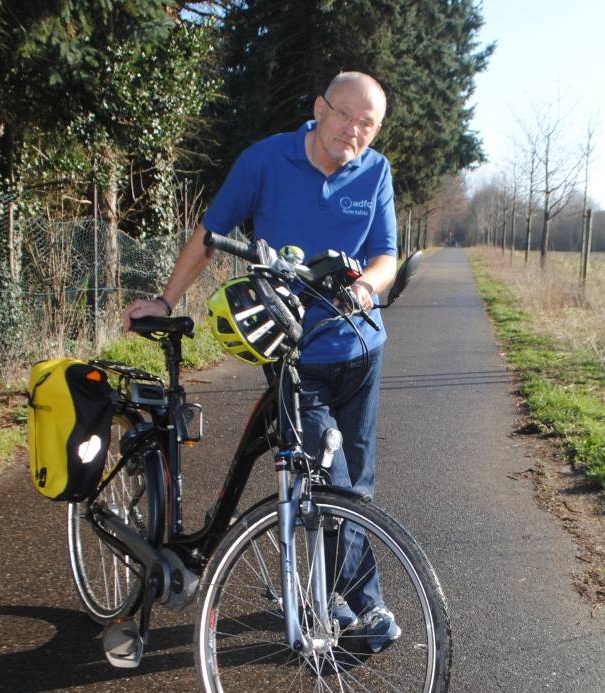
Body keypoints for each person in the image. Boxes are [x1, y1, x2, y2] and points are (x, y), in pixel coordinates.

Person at [122, 71, 400, 651]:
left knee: (357, 482)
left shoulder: (375, 171)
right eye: (345, 115)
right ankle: (363, 604)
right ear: (319, 107)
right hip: (294, 352)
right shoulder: (265, 161)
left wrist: (366, 289)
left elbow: (386, 256)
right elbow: (210, 233)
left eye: (367, 124)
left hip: (361, 348)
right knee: (333, 480)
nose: (353, 131)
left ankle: (340, 597)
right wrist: (167, 299)